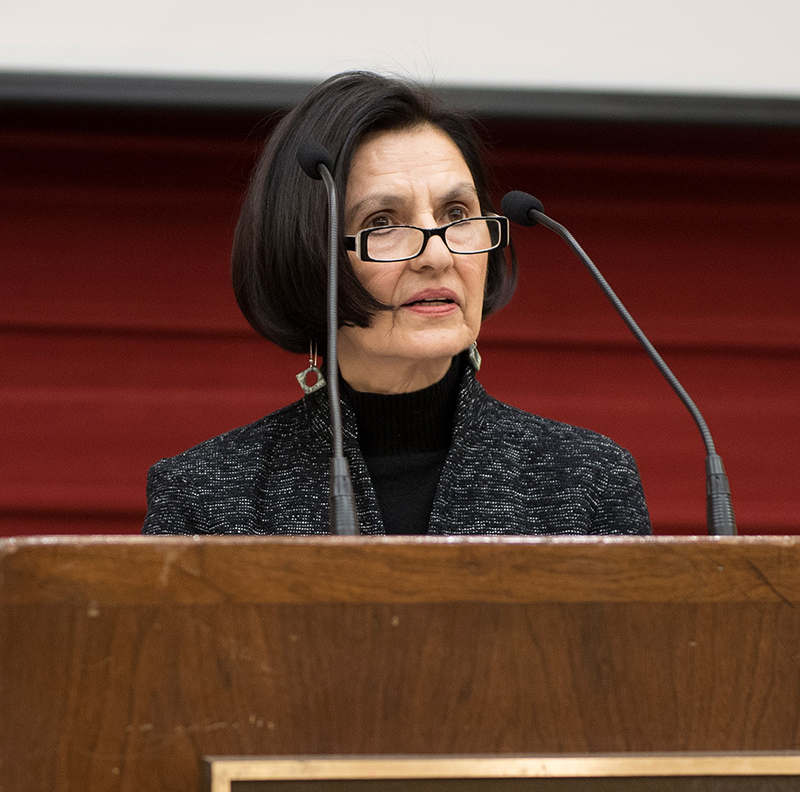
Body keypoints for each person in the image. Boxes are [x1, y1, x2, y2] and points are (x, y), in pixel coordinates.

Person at [143, 71, 651, 537]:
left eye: (457, 212)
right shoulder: (205, 501)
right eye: (383, 222)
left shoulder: (586, 483)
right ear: (308, 252)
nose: (438, 254)